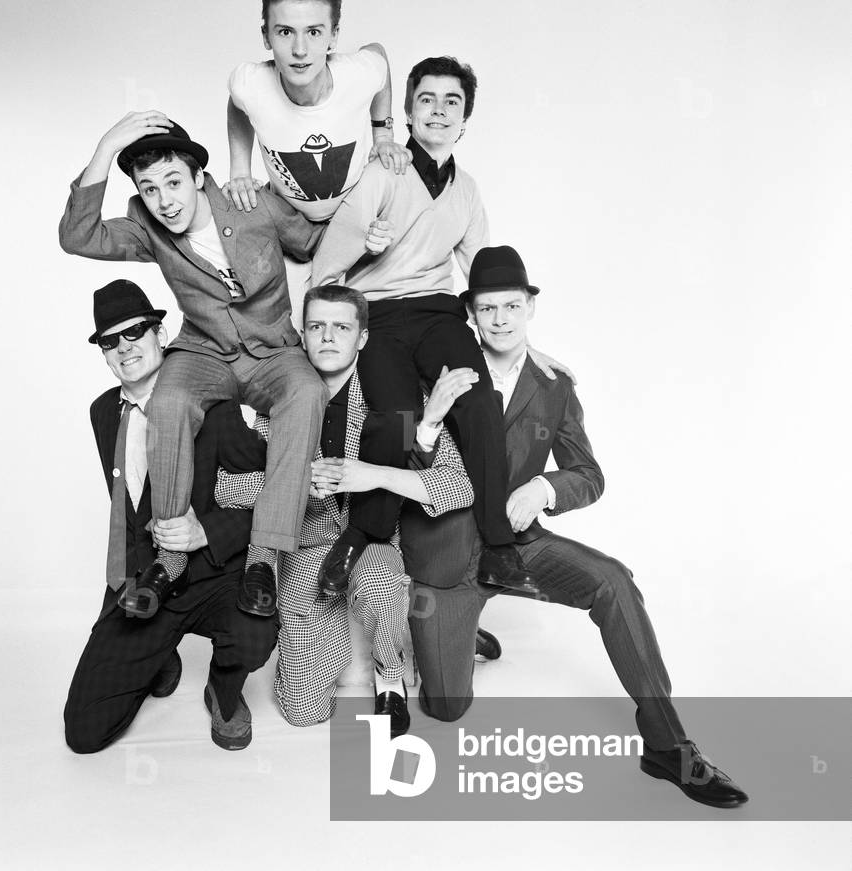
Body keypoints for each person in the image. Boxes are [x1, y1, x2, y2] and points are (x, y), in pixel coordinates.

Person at [402, 245, 750, 808]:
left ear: (530, 307)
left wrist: (545, 488)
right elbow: (395, 463)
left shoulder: (555, 386)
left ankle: (668, 745)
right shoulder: (436, 367)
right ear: (470, 313)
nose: (500, 320)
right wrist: (428, 422)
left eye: (511, 307)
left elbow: (589, 475)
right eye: (487, 309)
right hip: (446, 556)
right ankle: (462, 630)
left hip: (519, 545)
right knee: (445, 707)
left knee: (613, 581)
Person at [60, 114, 380, 619]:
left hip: (274, 350)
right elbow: (78, 236)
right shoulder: (146, 226)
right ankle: (169, 557)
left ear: (198, 177)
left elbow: (315, 240)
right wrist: (107, 146)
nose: (164, 201)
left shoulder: (251, 203)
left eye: (173, 182)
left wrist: (369, 232)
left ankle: (264, 557)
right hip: (203, 351)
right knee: (168, 401)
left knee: (306, 394)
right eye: (149, 189)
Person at [311, 56, 564, 598]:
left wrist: (526, 347)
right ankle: (360, 536)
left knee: (479, 404)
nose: (440, 111)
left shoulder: (466, 189)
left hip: (438, 313)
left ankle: (498, 547)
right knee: (397, 417)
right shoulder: (383, 173)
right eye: (427, 99)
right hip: (379, 312)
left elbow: (485, 278)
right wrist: (341, 310)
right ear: (408, 112)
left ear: (465, 120)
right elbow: (327, 270)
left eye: (453, 102)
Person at [214, 285, 474, 738]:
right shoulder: (275, 405)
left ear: (362, 337)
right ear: (303, 335)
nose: (328, 337)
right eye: (317, 326)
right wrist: (298, 483)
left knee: (381, 586)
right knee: (302, 711)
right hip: (305, 552)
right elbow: (226, 487)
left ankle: (389, 675)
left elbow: (458, 486)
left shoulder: (395, 396)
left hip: (372, 543)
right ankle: (330, 649)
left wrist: (374, 475)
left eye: (341, 327)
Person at [63, 279, 277, 753]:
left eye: (134, 332)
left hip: (212, 575)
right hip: (146, 579)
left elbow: (275, 491)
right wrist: (123, 587)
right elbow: (127, 510)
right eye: (110, 341)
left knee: (255, 632)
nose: (124, 347)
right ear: (103, 354)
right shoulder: (103, 412)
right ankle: (161, 655)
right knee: (84, 733)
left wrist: (207, 532)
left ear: (160, 334)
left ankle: (223, 688)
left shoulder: (216, 409)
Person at [224, 0, 410, 218]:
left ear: (333, 35)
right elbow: (237, 103)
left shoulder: (358, 75)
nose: (300, 50)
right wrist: (240, 171)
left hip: (353, 216)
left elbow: (377, 53)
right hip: (288, 219)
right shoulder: (250, 85)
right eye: (285, 32)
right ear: (266, 36)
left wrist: (383, 136)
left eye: (313, 32)